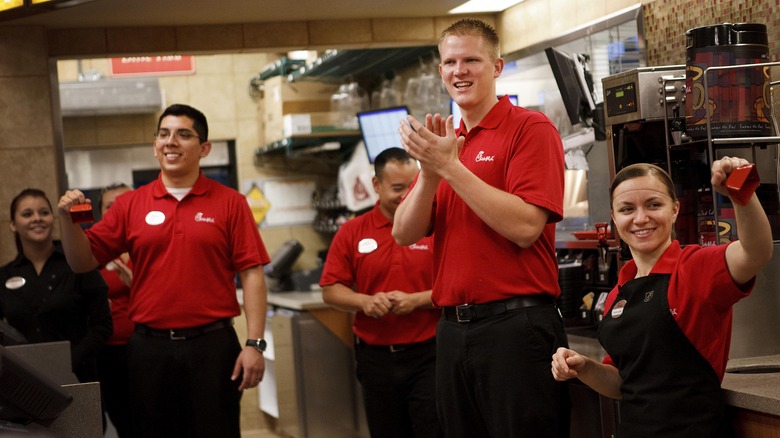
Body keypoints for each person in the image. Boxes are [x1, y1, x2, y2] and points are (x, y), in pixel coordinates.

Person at [394, 18, 569, 438]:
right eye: (450, 62)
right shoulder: (446, 143)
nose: (460, 71)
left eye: (472, 59)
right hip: (453, 330)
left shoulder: (530, 128)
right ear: (440, 72)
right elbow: (403, 232)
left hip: (515, 329)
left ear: (497, 67)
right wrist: (431, 173)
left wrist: (450, 167)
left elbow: (526, 226)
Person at [57, 104, 271, 438]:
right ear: (155, 145)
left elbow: (252, 274)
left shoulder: (231, 202)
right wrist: (67, 221)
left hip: (212, 346)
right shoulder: (131, 204)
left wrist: (254, 344)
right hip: (149, 349)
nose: (171, 141)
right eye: (163, 134)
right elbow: (81, 262)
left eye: (183, 134)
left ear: (204, 149)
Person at [551, 158, 773, 438]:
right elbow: (623, 381)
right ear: (614, 218)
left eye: (654, 205)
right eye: (627, 209)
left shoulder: (694, 267)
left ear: (675, 209)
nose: (641, 218)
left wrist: (740, 194)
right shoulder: (619, 292)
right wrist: (583, 367)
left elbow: (756, 252)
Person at [320, 147, 442, 438]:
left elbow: (458, 288)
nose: (405, 195)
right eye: (397, 188)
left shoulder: (435, 227)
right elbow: (330, 290)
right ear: (376, 185)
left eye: (412, 186)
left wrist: (417, 300)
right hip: (375, 359)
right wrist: (365, 301)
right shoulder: (352, 231)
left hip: (431, 355)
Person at [0, 188, 112, 384]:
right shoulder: (4, 275)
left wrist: (67, 361)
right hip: (25, 381)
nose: (37, 219)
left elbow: (102, 326)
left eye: (44, 212)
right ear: (13, 225)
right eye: (27, 214)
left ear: (53, 219)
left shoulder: (79, 263)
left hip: (79, 375)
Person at [95, 182, 134, 437]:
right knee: (124, 423)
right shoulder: (94, 253)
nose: (118, 210)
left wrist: (137, 284)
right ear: (101, 214)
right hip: (109, 353)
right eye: (110, 205)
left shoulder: (153, 247)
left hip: (151, 348)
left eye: (125, 203)